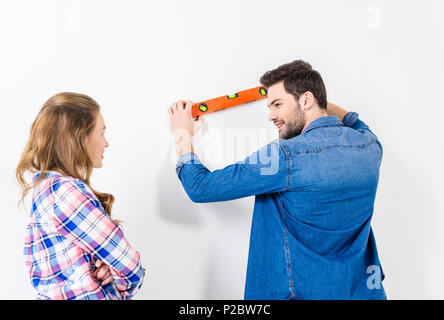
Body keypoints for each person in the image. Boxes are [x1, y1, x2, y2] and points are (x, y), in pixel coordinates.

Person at [168, 60, 386, 299]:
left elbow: (201, 187)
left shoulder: (284, 156)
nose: (271, 116)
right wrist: (315, 101)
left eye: (277, 105)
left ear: (305, 100)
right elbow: (352, 120)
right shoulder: (369, 145)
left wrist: (182, 133)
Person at [16, 92, 145, 300]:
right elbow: (131, 269)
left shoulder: (44, 188)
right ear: (80, 138)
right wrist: (117, 284)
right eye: (102, 133)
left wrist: (106, 266)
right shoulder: (67, 193)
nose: (106, 143)